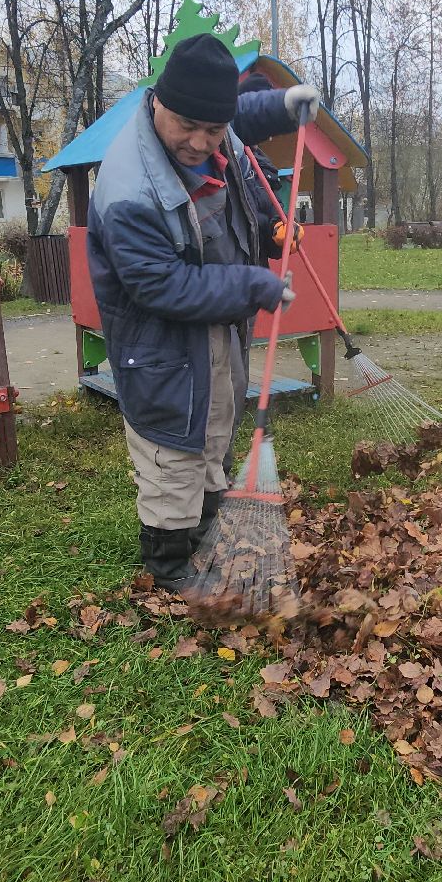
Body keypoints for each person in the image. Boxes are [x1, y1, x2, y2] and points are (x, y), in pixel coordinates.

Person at [85, 34, 320, 589]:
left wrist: (285, 106)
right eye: (187, 126)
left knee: (215, 424)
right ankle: (168, 562)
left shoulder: (215, 130)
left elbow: (238, 116)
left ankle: (206, 524)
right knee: (173, 449)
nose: (198, 142)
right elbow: (162, 287)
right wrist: (252, 286)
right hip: (160, 341)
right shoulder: (128, 190)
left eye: (211, 131)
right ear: (159, 103)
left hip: (214, 325)